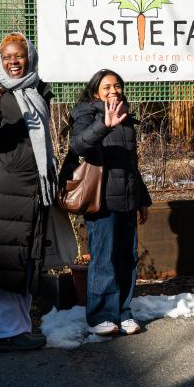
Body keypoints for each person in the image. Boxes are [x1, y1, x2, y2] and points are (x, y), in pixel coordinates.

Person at [0, 32, 57, 352]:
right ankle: (4, 334)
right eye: (7, 57)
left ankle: (18, 328)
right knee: (2, 263)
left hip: (31, 192)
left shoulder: (37, 91)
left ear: (29, 57)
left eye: (18, 56)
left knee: (23, 262)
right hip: (3, 193)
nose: (13, 62)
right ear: (0, 61)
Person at [68, 69, 151, 336]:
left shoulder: (125, 116)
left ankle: (123, 312)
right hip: (101, 199)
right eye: (107, 87)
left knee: (126, 258)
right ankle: (100, 316)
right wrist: (105, 124)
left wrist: (142, 199)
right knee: (103, 259)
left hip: (127, 198)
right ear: (95, 92)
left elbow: (131, 163)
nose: (113, 90)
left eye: (117, 86)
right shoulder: (86, 112)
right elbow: (79, 145)